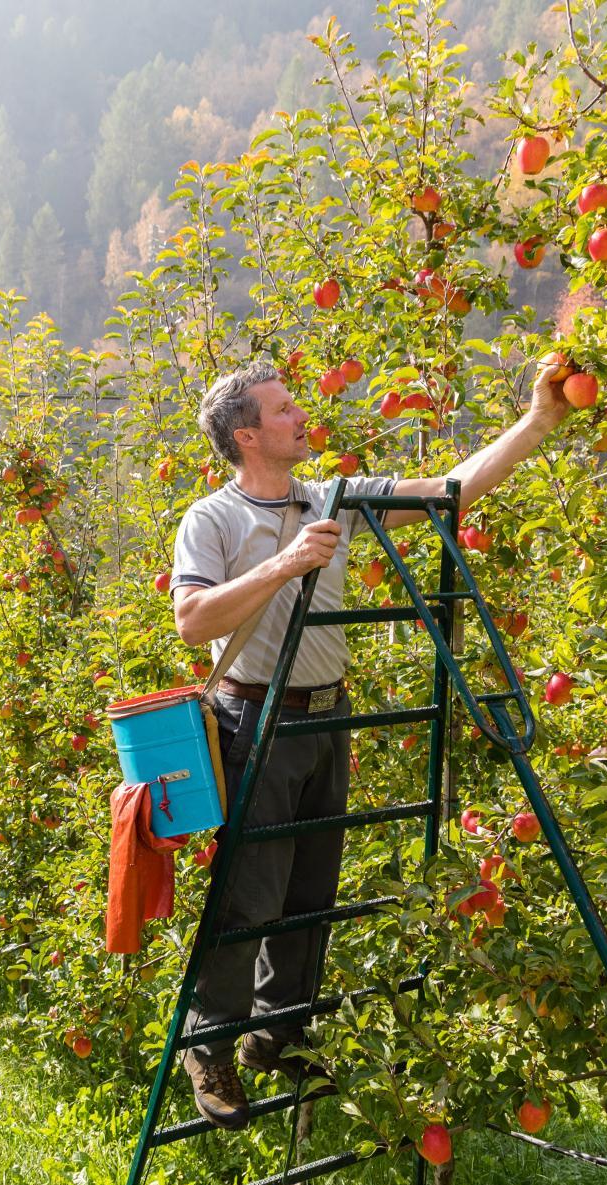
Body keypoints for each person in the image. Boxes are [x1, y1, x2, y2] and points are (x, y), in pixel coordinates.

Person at [167, 358, 569, 1130]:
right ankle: (207, 1044)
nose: (301, 416)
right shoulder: (212, 519)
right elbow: (192, 622)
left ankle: (275, 1032)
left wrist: (539, 420)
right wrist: (287, 562)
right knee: (251, 894)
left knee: (313, 887)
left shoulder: (335, 500)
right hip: (254, 721)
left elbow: (450, 491)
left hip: (328, 718)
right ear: (248, 435)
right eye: (284, 410)